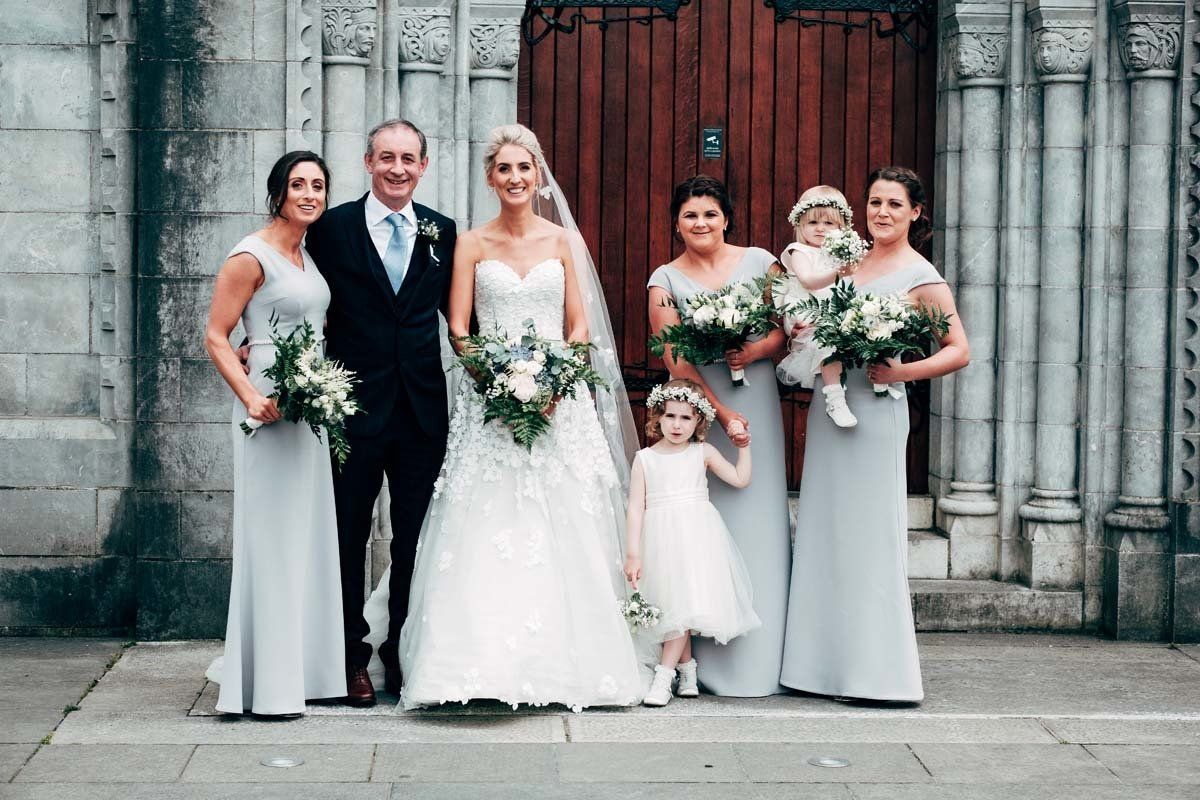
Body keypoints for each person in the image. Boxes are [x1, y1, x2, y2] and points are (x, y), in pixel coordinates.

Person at [363, 123, 644, 711]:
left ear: (539, 176)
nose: (515, 178)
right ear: (490, 178)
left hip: (558, 405)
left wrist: (554, 383)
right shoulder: (470, 243)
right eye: (504, 170)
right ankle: (472, 664)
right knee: (484, 523)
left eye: (525, 168)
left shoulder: (563, 242)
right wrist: (495, 379)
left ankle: (570, 665)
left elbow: (578, 327)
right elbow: (460, 327)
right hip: (487, 408)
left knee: (563, 522)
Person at [781, 166, 970, 703]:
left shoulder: (922, 275)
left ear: (916, 213)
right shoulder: (846, 259)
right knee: (826, 529)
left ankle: (877, 675)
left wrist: (901, 373)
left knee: (869, 536)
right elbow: (814, 311)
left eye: (893, 204)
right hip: (832, 406)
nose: (881, 212)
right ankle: (816, 670)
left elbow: (959, 349)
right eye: (874, 202)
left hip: (879, 409)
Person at [303, 119, 458, 707]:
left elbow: (459, 317)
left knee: (415, 539)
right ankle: (349, 658)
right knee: (346, 537)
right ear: (368, 162)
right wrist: (253, 336)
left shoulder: (442, 231)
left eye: (409, 159)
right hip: (350, 410)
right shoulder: (332, 228)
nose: (398, 168)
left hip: (421, 412)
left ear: (423, 166)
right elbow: (292, 282)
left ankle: (401, 649)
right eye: (386, 157)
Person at [203, 151, 346, 716]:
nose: (309, 194)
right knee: (271, 537)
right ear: (278, 192)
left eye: (318, 185)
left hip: (310, 405)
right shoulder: (250, 254)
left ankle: (308, 673)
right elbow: (217, 335)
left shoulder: (306, 256)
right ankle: (266, 687)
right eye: (298, 185)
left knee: (306, 534)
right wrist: (251, 396)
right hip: (268, 405)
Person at [646, 175, 791, 697]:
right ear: (677, 223)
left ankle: (762, 660)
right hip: (701, 409)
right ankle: (695, 658)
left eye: (710, 214)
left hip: (756, 402)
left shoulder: (761, 262)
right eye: (690, 215)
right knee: (702, 525)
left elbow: (785, 328)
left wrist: (753, 352)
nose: (701, 223)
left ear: (726, 218)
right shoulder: (664, 279)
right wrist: (722, 411)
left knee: (758, 511)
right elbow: (674, 357)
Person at [624, 379, 761, 708]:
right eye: (670, 416)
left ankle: (663, 676)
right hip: (659, 538)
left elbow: (740, 480)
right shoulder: (645, 458)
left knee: (684, 604)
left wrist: (744, 446)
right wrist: (633, 553)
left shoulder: (703, 453)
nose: (676, 425)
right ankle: (687, 669)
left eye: (686, 418)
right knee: (673, 606)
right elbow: (634, 508)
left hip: (697, 537)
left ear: (699, 421)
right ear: (658, 416)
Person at [776, 185, 861, 428]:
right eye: (812, 222)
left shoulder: (841, 255)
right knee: (828, 341)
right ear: (800, 225)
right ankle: (835, 399)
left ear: (842, 227)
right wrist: (840, 272)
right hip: (806, 310)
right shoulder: (799, 251)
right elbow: (808, 281)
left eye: (829, 223)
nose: (820, 228)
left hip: (833, 311)